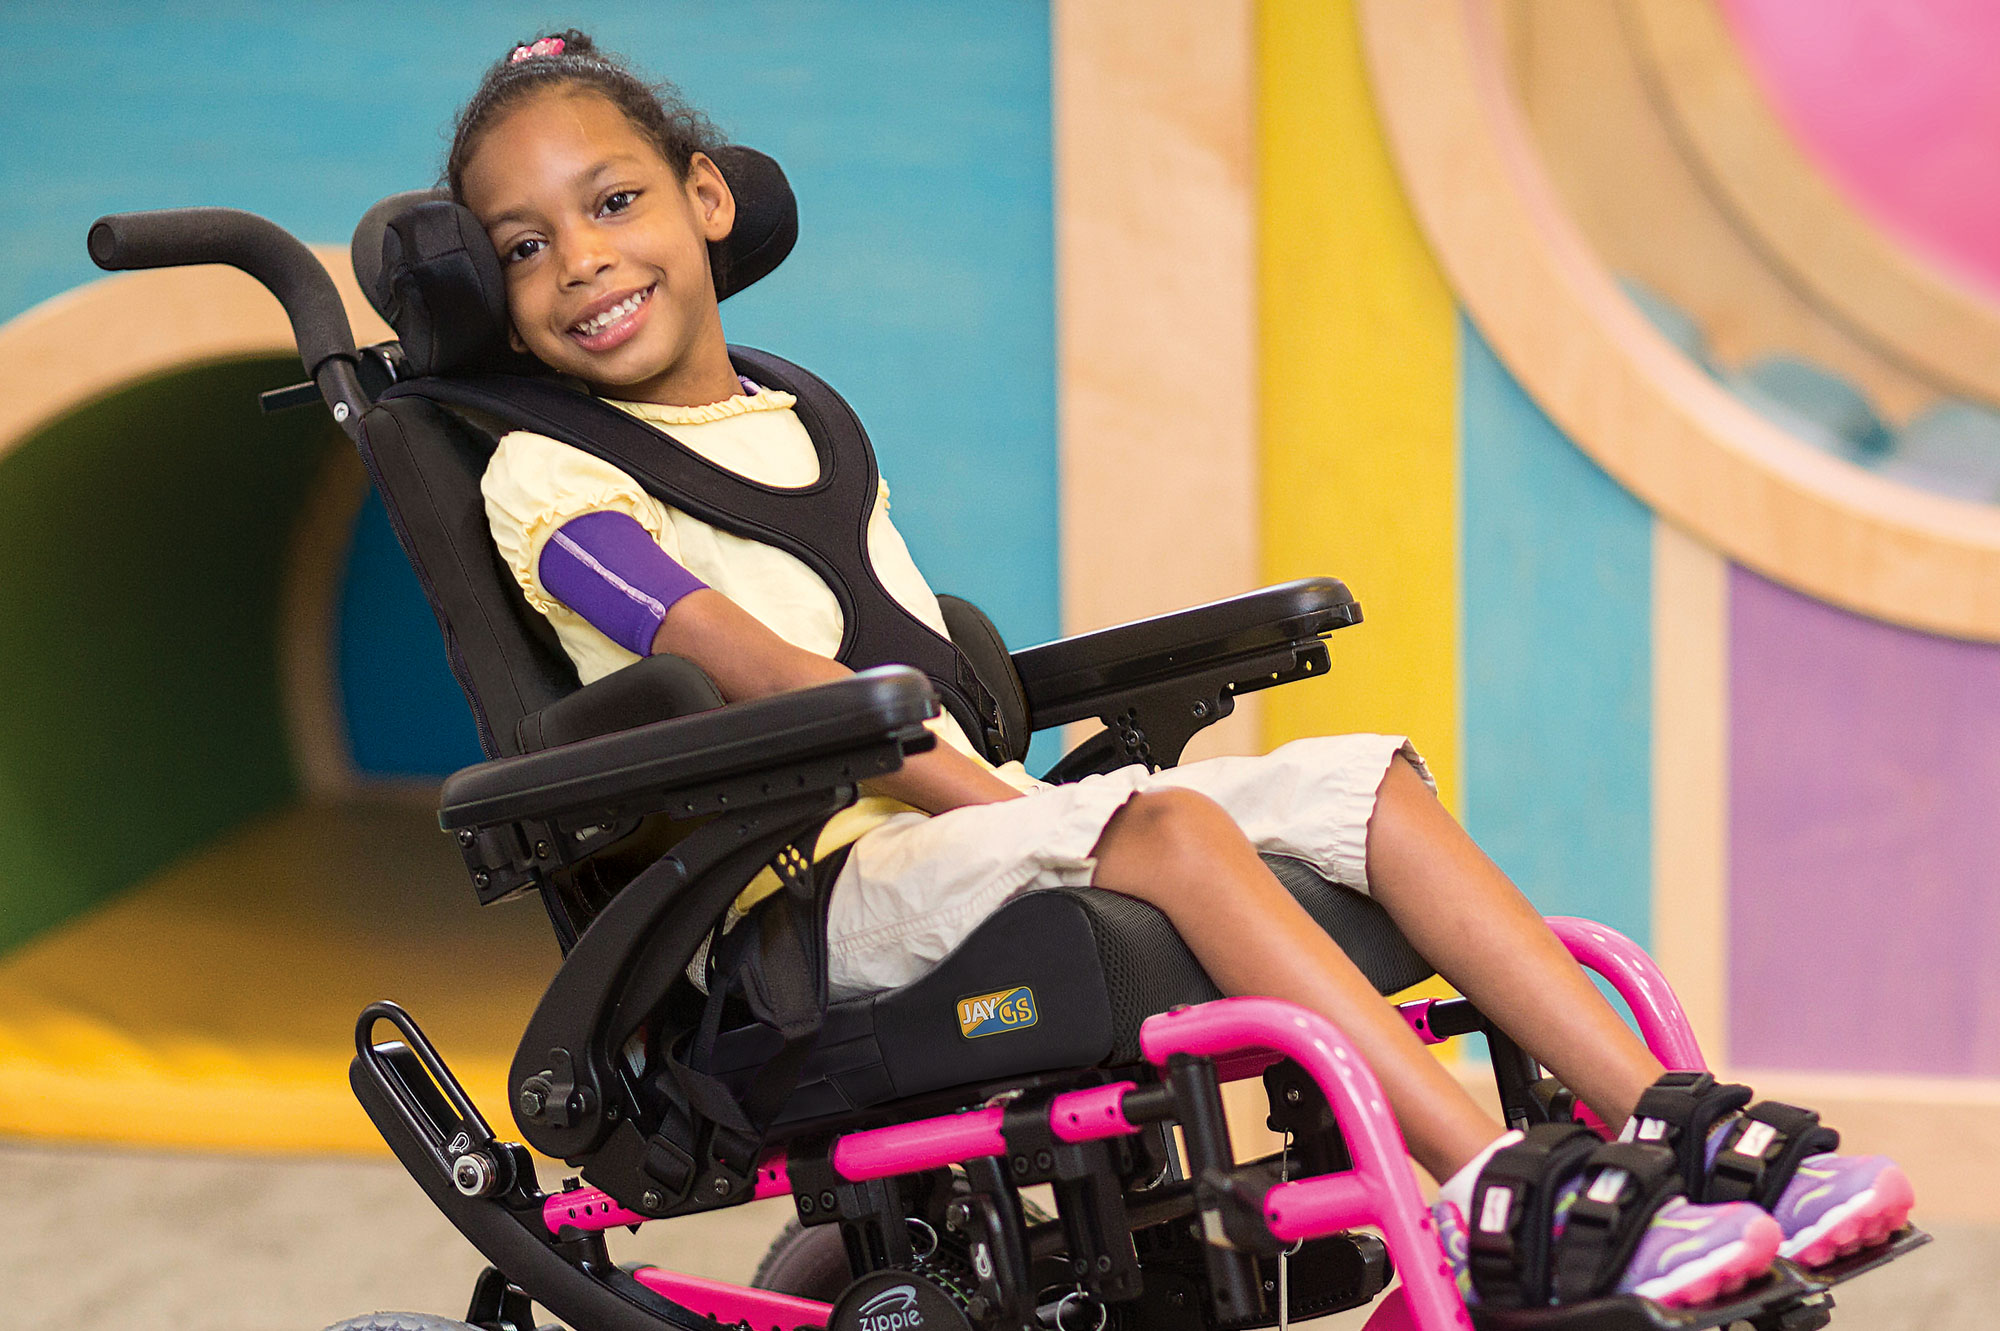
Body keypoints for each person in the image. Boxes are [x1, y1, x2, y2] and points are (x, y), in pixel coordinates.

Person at [448, 31, 1912, 1307]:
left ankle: (1676, 1131)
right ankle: (1492, 1195)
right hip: (817, 891)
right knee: (1171, 827)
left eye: (615, 201)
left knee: (1368, 785)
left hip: (958, 830)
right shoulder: (546, 478)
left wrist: (1017, 809)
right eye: (523, 246)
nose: (580, 261)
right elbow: (764, 669)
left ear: (708, 200)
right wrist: (1006, 805)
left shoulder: (799, 412)